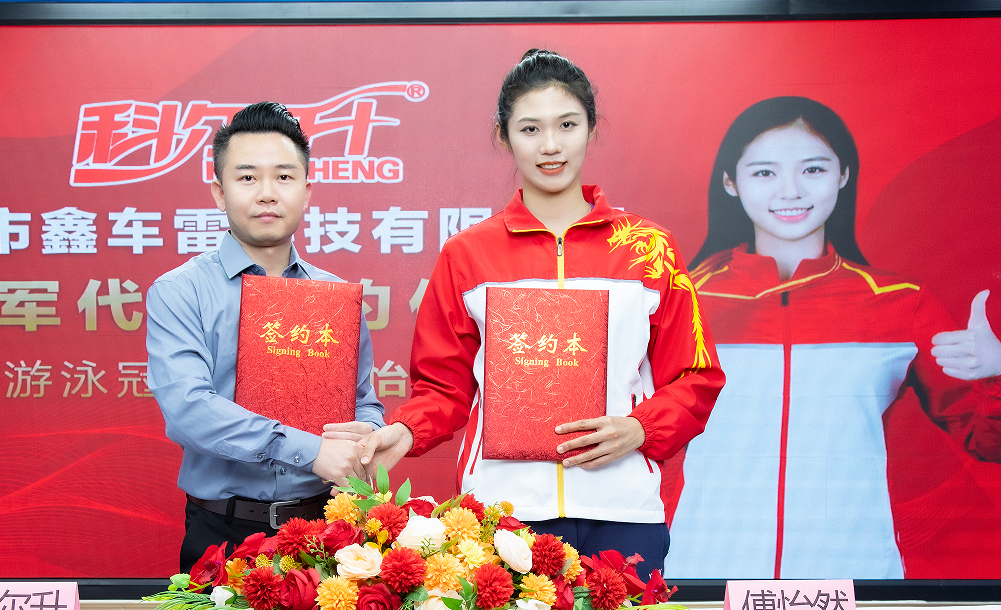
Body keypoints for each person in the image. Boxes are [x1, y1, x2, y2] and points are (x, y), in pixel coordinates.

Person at [360, 50, 725, 577]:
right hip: (503, 515)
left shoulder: (649, 248)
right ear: (504, 136)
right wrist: (407, 432)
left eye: (567, 125)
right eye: (530, 128)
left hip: (623, 509)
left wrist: (639, 429)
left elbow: (696, 377)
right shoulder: (467, 255)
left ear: (591, 128)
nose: (550, 145)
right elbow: (444, 388)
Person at [665, 96, 1001, 579]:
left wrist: (996, 373)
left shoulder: (901, 304)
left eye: (813, 169)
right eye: (764, 173)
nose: (790, 191)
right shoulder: (682, 300)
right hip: (700, 572)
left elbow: (989, 443)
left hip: (855, 578)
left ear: (843, 174)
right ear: (730, 182)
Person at [146, 101, 384, 572]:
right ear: (219, 192)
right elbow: (189, 410)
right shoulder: (180, 291)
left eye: (284, 177)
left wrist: (367, 437)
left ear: (307, 191)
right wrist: (312, 452)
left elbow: (363, 401)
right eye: (248, 177)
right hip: (223, 534)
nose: (267, 193)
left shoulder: (334, 295)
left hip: (324, 533)